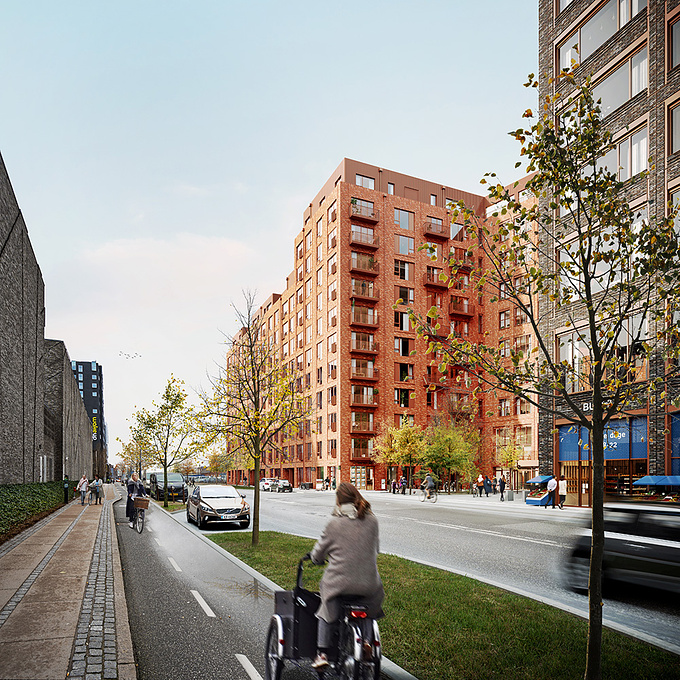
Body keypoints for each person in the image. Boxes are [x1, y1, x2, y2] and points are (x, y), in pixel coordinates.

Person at [309, 482, 384, 670]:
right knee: (368, 606)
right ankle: (367, 642)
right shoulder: (372, 521)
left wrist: (316, 559)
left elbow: (318, 553)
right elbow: (376, 549)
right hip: (369, 584)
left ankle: (322, 654)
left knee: (326, 607)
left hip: (340, 584)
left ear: (339, 501)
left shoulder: (334, 523)